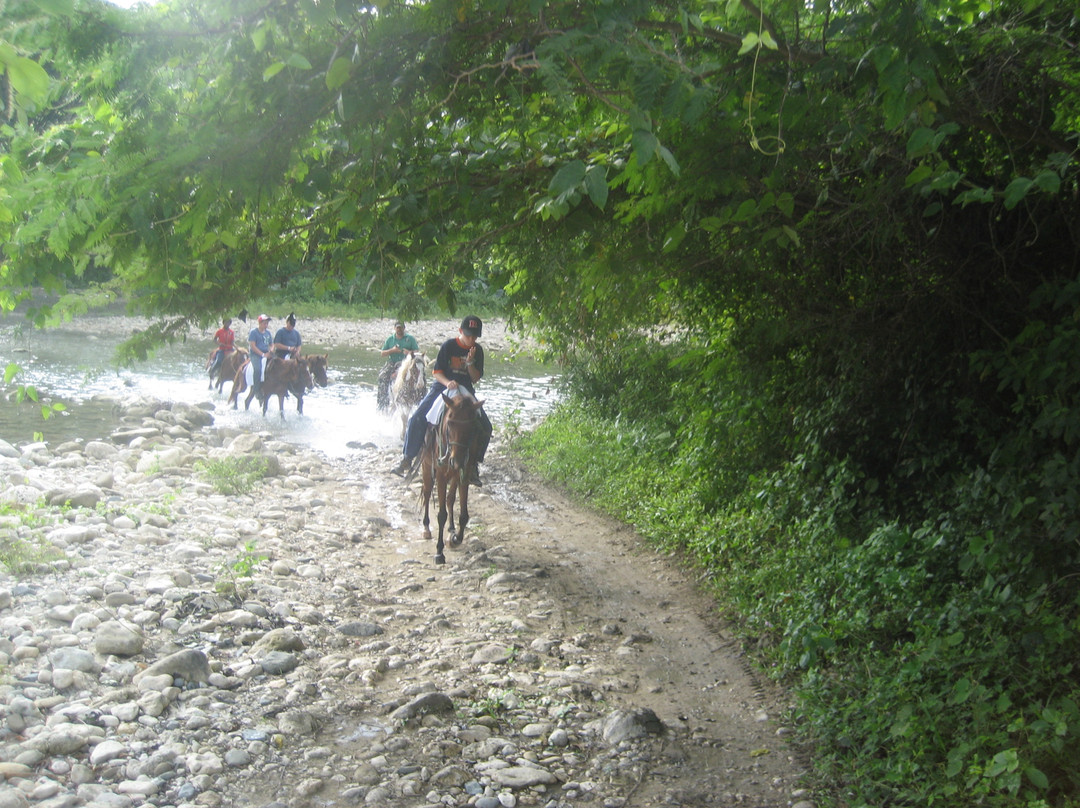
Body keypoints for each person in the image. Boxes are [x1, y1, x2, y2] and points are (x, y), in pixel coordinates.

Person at [391, 315, 492, 486]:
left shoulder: (478, 350)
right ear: (460, 331)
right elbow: (437, 372)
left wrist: (469, 363)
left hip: (465, 389)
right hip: (442, 387)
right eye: (468, 335)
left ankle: (474, 465)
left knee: (486, 426)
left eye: (475, 336)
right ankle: (407, 458)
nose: (471, 339)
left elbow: (475, 378)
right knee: (417, 417)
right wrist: (448, 383)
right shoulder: (448, 346)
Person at [377, 320, 420, 412]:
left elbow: (417, 351)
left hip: (406, 363)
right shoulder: (390, 339)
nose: (399, 329)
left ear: (404, 328)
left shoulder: (410, 339)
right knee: (382, 376)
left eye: (401, 328)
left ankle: (419, 399)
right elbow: (382, 353)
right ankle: (382, 402)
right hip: (392, 362)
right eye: (397, 328)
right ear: (394, 328)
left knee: (419, 375)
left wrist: (409, 352)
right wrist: (391, 350)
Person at [248, 314, 274, 401]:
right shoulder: (254, 332)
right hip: (256, 354)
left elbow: (271, 344)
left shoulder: (268, 333)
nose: (266, 325)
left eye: (267, 323)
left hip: (266, 353)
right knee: (258, 369)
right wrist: (262, 355)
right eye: (264, 323)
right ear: (260, 323)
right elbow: (253, 346)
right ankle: (256, 389)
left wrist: (271, 350)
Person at [207, 317, 235, 383]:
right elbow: (214, 340)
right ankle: (212, 371)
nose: (227, 324)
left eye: (228, 322)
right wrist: (219, 344)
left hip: (230, 350)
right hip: (222, 350)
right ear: (223, 323)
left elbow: (232, 341)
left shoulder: (231, 332)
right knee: (219, 361)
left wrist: (236, 346)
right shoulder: (219, 331)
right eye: (226, 322)